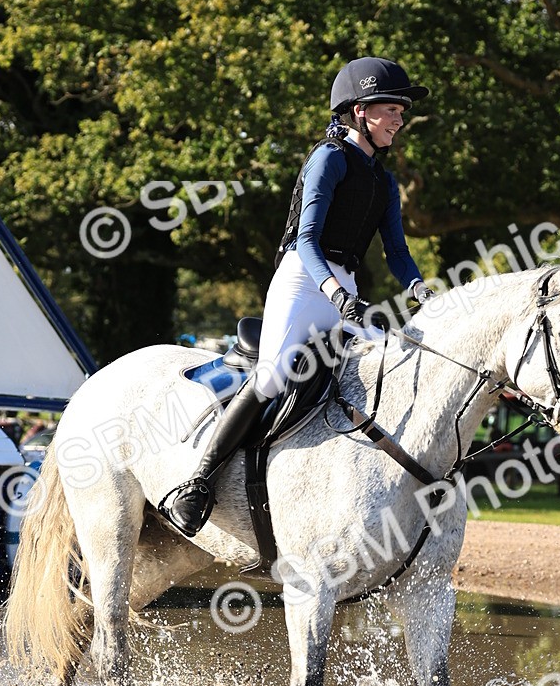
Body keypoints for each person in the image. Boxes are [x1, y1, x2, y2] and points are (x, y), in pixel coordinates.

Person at [163, 55, 434, 537]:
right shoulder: (329, 158)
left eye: (400, 111)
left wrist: (419, 288)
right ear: (359, 112)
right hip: (305, 280)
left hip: (345, 285)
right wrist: (334, 292)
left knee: (384, 366)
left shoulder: (384, 180)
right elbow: (306, 239)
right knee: (271, 377)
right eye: (391, 109)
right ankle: (198, 483)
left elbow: (396, 251)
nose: (399, 119)